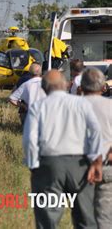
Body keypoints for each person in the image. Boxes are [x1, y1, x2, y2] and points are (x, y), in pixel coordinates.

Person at [22, 70, 103, 229]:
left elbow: (29, 139)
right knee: (86, 218)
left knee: (47, 219)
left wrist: (33, 164)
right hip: (80, 165)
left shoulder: (38, 107)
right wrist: (96, 161)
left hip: (49, 165)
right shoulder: (81, 103)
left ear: (44, 89)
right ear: (66, 84)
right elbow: (95, 131)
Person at [81, 67, 112, 228]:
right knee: (104, 217)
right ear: (103, 87)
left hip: (79, 168)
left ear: (81, 87)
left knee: (83, 218)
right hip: (107, 166)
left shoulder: (72, 106)